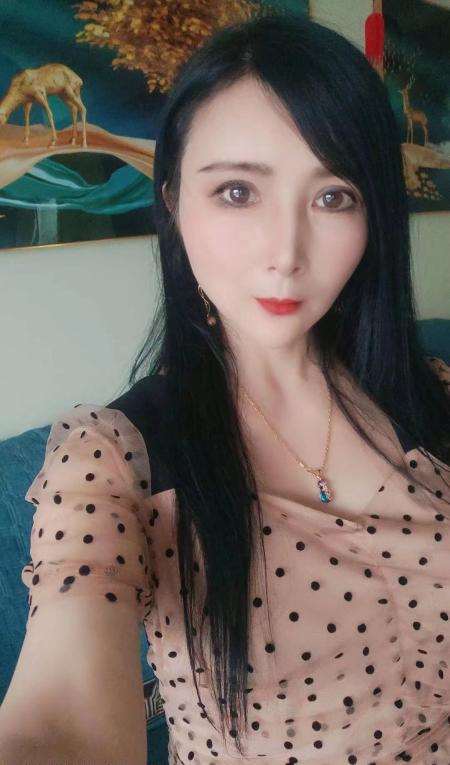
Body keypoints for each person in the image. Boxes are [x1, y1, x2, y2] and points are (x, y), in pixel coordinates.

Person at [2, 9, 450, 765]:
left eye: (333, 197)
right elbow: (63, 720)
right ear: (173, 200)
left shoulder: (431, 394)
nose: (286, 252)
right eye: (239, 192)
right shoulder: (112, 462)